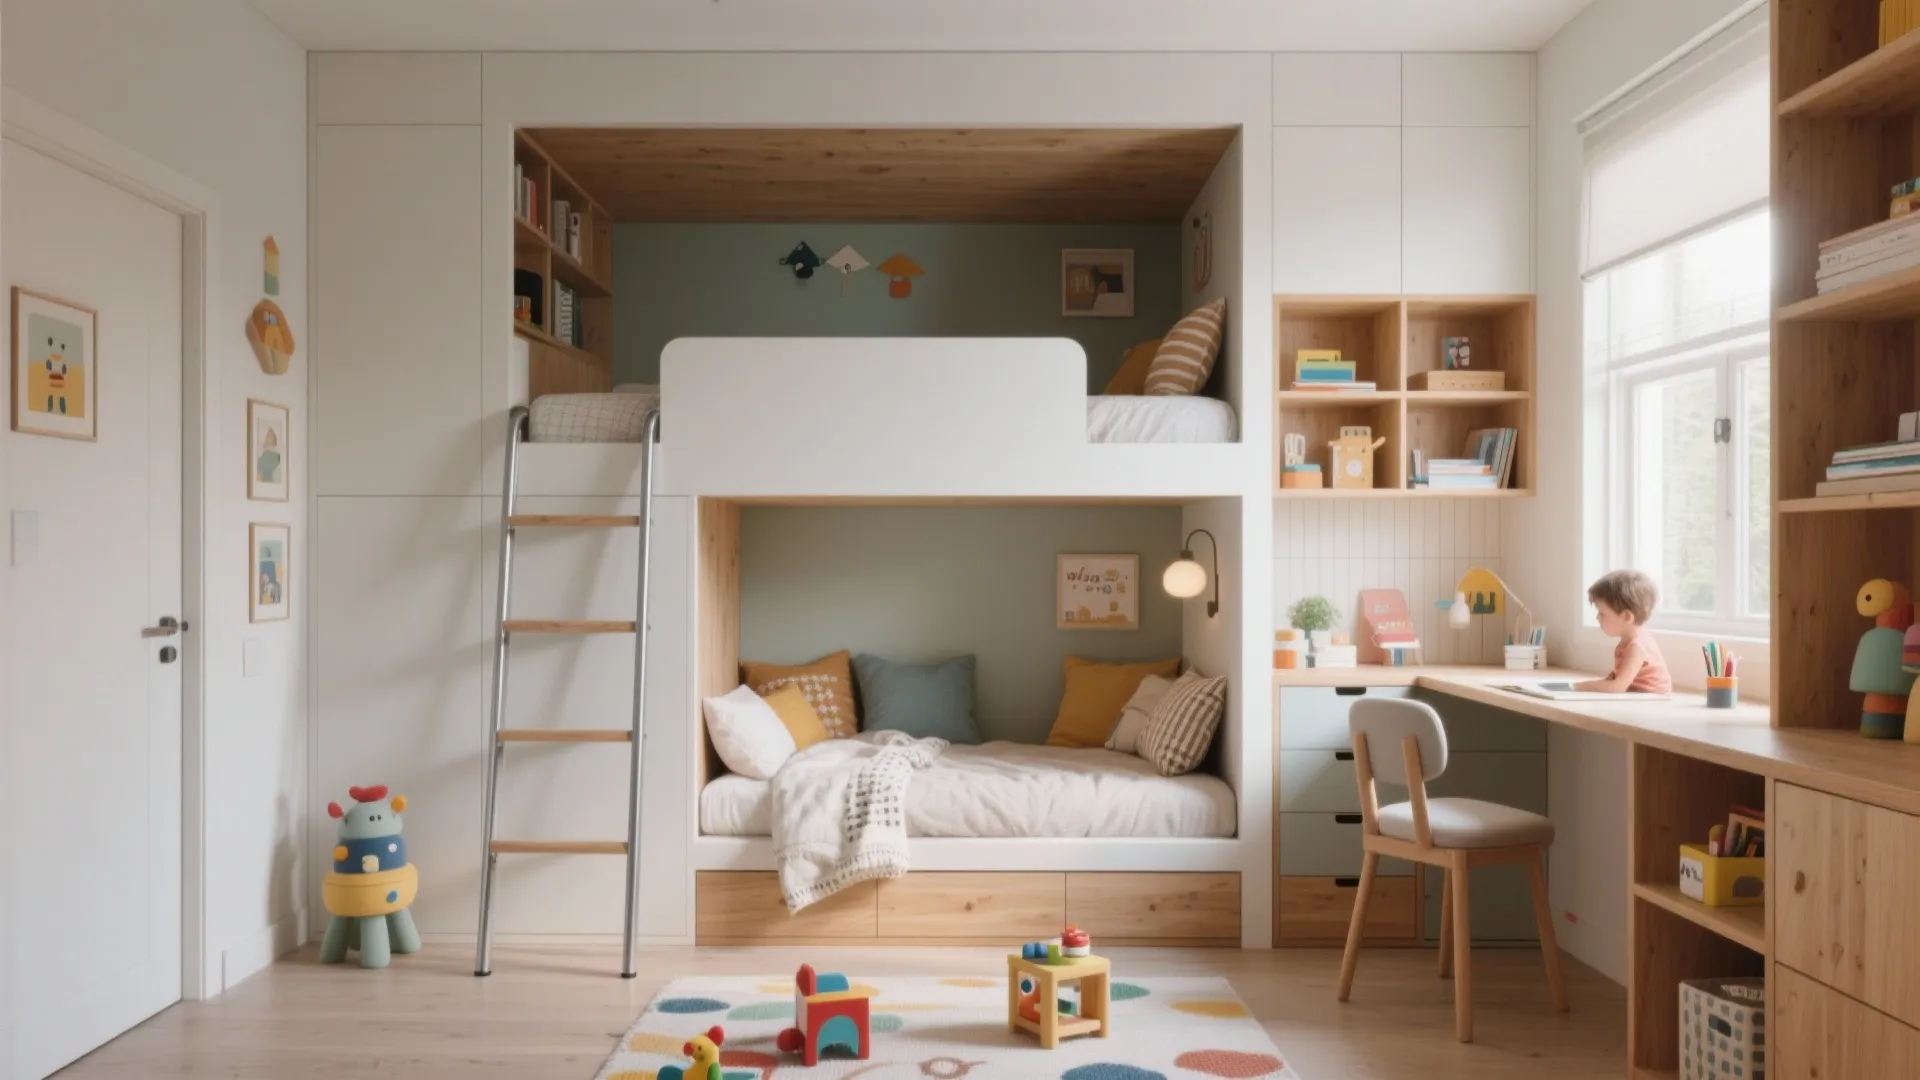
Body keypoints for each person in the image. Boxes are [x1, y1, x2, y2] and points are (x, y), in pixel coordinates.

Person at [1573, 569, 1671, 693]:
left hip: (1652, 701)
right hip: (1638, 697)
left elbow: (1617, 687)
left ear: (1626, 617)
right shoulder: (1627, 642)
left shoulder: (1637, 646)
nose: (1597, 618)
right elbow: (1616, 678)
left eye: (1602, 613)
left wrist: (1576, 686)